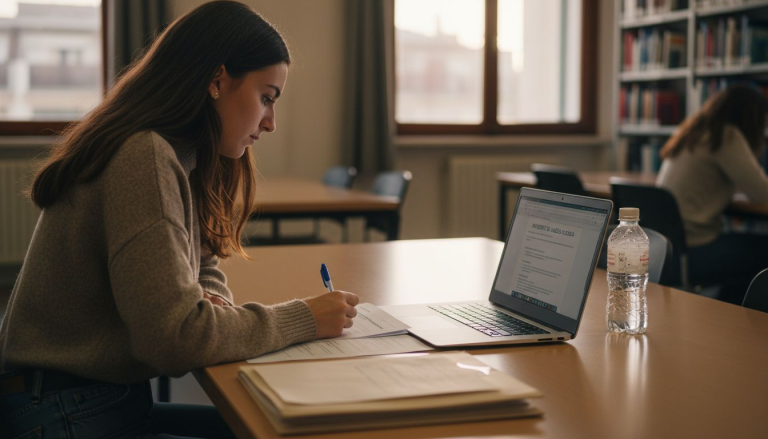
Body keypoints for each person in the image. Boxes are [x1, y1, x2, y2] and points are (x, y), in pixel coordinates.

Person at [0, 2, 359, 438]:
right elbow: (175, 340)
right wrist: (305, 317)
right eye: (266, 98)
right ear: (216, 80)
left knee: (271, 428)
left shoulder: (176, 153)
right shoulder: (143, 156)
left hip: (96, 399)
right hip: (61, 410)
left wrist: (210, 299)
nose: (271, 123)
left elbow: (201, 260)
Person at [657, 84, 768, 298]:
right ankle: (749, 320)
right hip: (695, 249)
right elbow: (761, 193)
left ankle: (733, 310)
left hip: (668, 249)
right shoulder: (727, 136)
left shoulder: (696, 130)